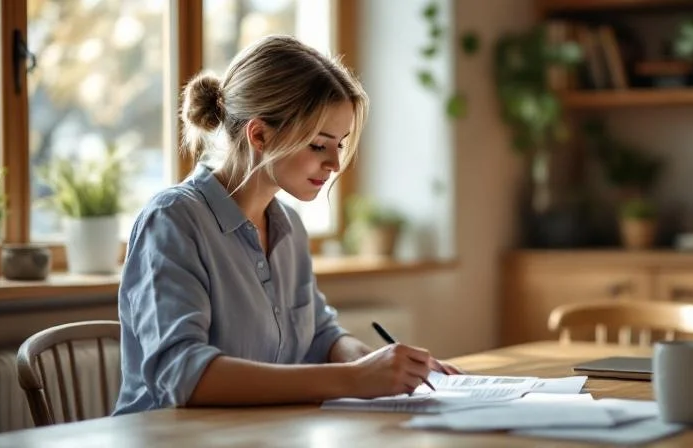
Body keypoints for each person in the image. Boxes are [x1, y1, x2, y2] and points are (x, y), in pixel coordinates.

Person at [113, 35, 460, 415]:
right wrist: (355, 379)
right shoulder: (172, 221)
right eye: (318, 145)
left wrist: (385, 367)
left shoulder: (288, 227)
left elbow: (320, 336)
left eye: (340, 145)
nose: (335, 164)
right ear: (259, 135)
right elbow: (184, 376)